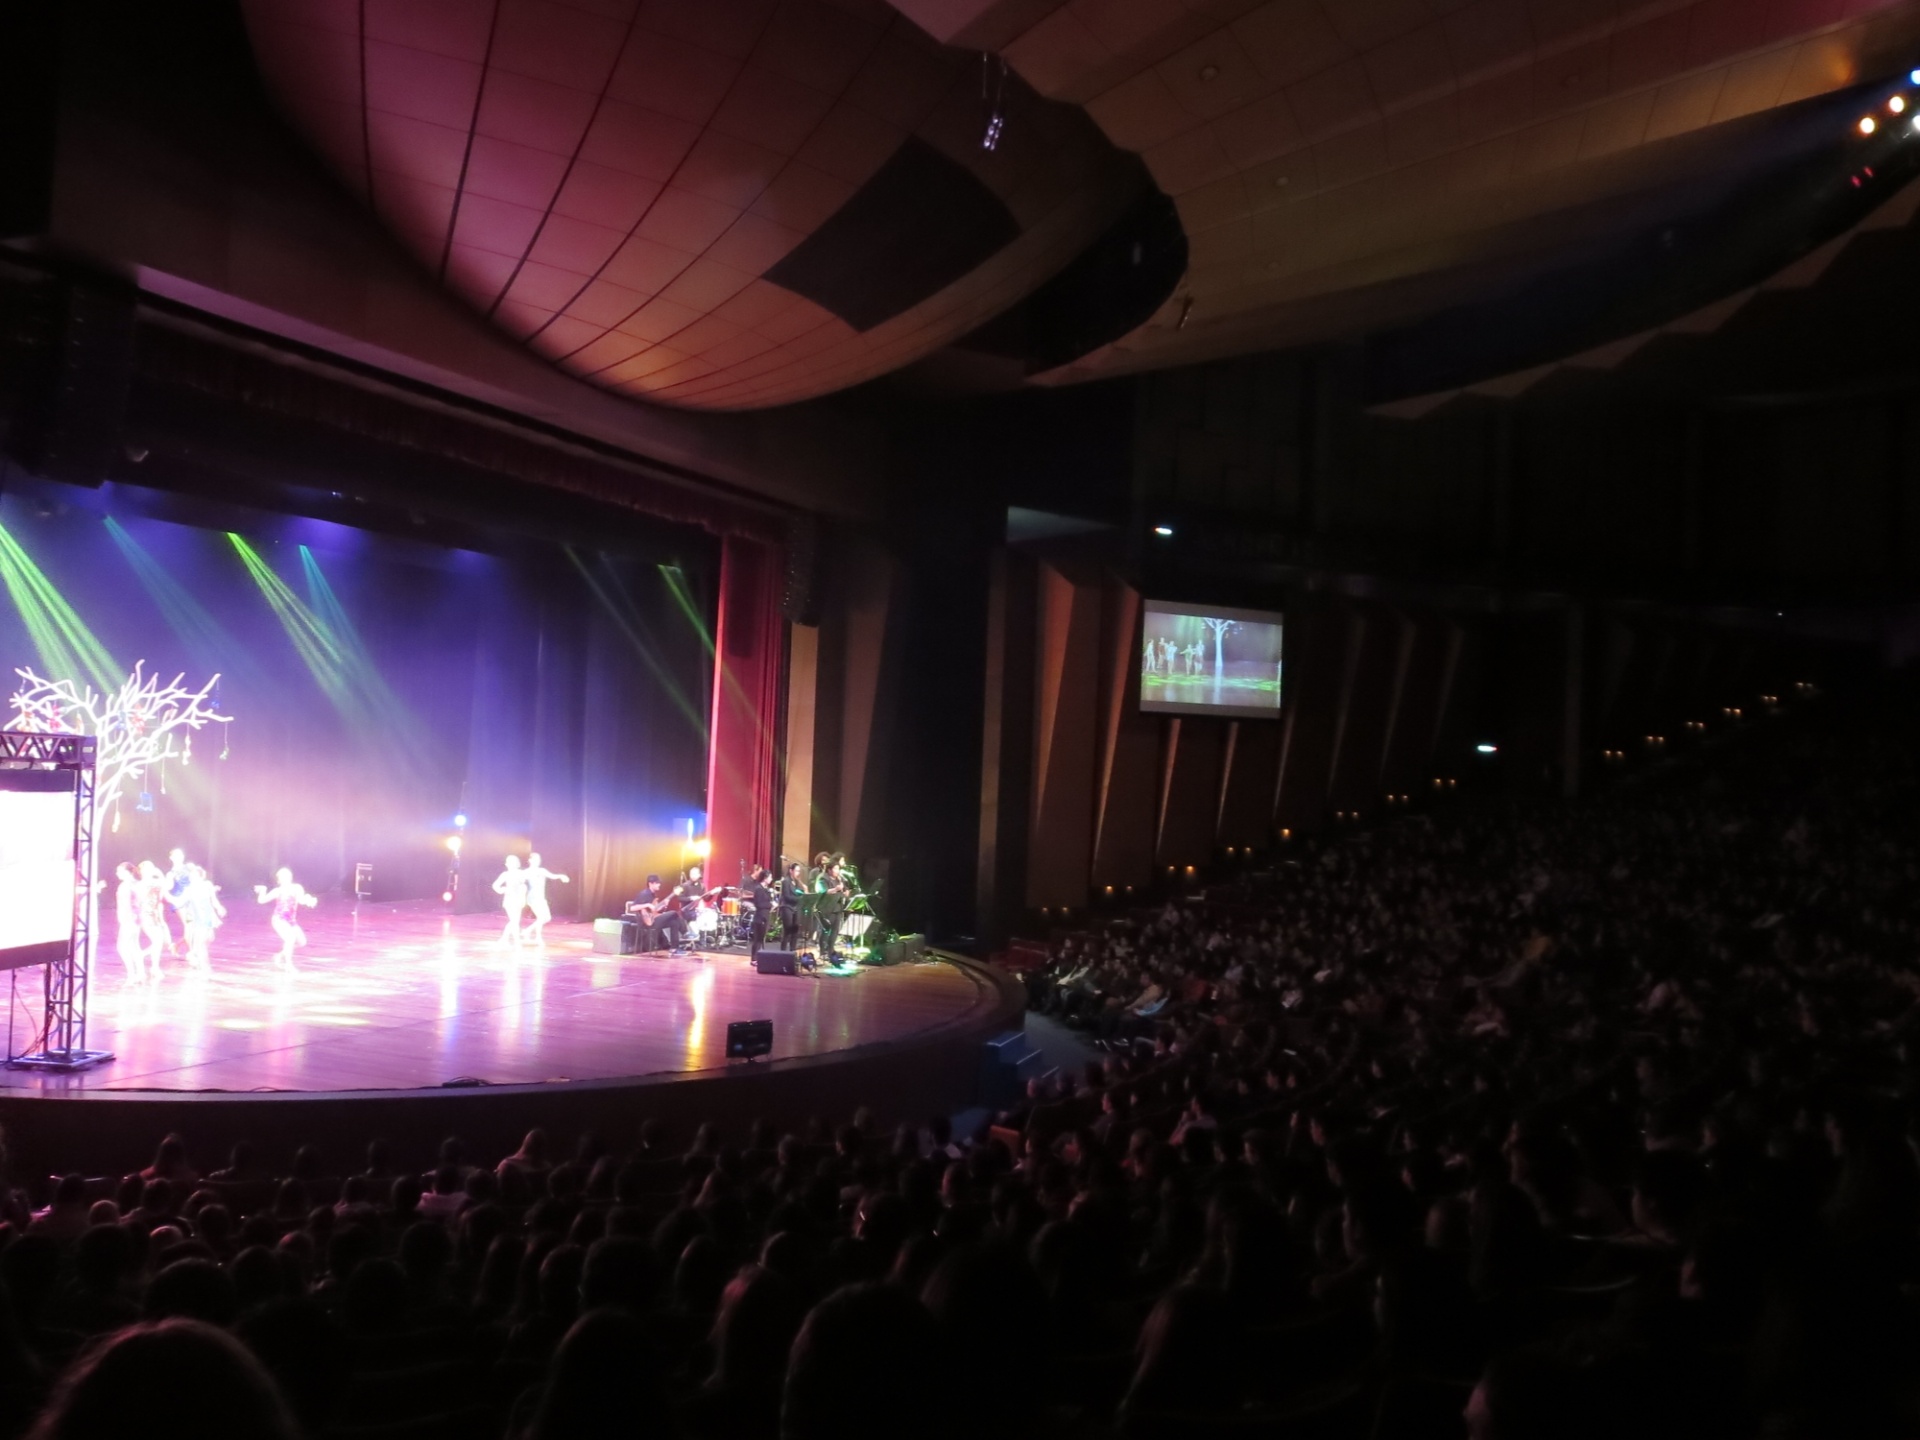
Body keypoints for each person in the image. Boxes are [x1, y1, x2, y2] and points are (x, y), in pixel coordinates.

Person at [254, 868, 316, 972]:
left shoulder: (297, 888)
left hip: (291, 921)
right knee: (290, 938)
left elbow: (301, 900)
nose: (286, 878)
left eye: (287, 875)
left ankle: (280, 955)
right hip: (279, 919)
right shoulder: (277, 891)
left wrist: (309, 900)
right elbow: (261, 900)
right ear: (279, 880)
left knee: (302, 942)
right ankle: (288, 964)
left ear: (290, 877)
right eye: (283, 877)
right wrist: (263, 890)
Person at [180, 864, 226, 974]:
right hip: (194, 916)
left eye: (194, 876)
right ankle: (202, 964)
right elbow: (181, 902)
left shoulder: (207, 885)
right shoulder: (188, 889)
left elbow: (213, 899)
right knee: (201, 941)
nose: (192, 878)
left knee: (209, 938)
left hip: (207, 915)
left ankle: (195, 955)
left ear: (201, 876)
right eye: (191, 876)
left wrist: (219, 907)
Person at [627, 875, 685, 954]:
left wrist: (664, 906)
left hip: (653, 920)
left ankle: (674, 948)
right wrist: (647, 905)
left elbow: (655, 910)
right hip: (646, 923)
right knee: (674, 913)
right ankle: (685, 933)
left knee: (674, 922)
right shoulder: (644, 893)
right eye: (657, 883)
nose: (659, 885)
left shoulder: (653, 895)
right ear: (650, 884)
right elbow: (632, 908)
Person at [522, 852, 570, 945]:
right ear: (530, 860)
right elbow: (520, 881)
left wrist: (561, 876)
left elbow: (553, 876)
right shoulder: (526, 872)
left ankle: (529, 932)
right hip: (533, 897)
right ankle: (534, 935)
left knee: (547, 918)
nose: (538, 861)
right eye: (535, 859)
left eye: (538, 859)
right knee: (541, 917)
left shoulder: (542, 870)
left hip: (541, 897)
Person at [136, 861, 172, 980]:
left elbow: (168, 886)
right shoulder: (139, 885)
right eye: (147, 869)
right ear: (142, 871)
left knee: (161, 942)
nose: (150, 870)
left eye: (151, 868)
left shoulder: (157, 882)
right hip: (145, 915)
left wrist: (160, 874)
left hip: (156, 915)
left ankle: (154, 967)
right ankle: (142, 956)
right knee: (157, 942)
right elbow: (139, 899)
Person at [113, 862, 146, 985]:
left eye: (119, 871)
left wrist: (125, 918)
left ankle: (131, 975)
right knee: (134, 946)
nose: (117, 873)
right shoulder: (137, 884)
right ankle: (140, 973)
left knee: (122, 947)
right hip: (136, 918)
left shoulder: (125, 886)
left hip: (129, 919)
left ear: (127, 872)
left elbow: (126, 904)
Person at [492, 855, 530, 947]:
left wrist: (523, 898)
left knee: (515, 921)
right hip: (509, 900)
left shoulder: (521, 873)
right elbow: (495, 885)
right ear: (507, 864)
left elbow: (523, 886)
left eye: (514, 862)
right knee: (514, 921)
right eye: (509, 862)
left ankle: (505, 939)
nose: (511, 864)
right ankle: (514, 940)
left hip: (518, 899)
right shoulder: (505, 874)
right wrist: (503, 890)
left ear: (517, 863)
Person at [743, 866, 773, 962]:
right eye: (770, 877)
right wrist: (770, 905)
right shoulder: (759, 889)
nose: (771, 879)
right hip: (760, 916)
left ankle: (760, 957)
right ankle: (754, 959)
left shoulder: (766, 889)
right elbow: (759, 904)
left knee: (761, 938)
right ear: (765, 878)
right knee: (758, 938)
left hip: (766, 915)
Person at [779, 862, 806, 948]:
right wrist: (800, 899)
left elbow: (800, 893)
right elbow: (787, 896)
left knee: (795, 931)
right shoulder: (786, 881)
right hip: (787, 907)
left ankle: (792, 950)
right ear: (791, 871)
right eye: (796, 871)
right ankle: (783, 951)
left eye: (799, 871)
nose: (798, 873)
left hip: (796, 908)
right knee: (787, 931)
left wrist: (804, 891)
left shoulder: (797, 882)